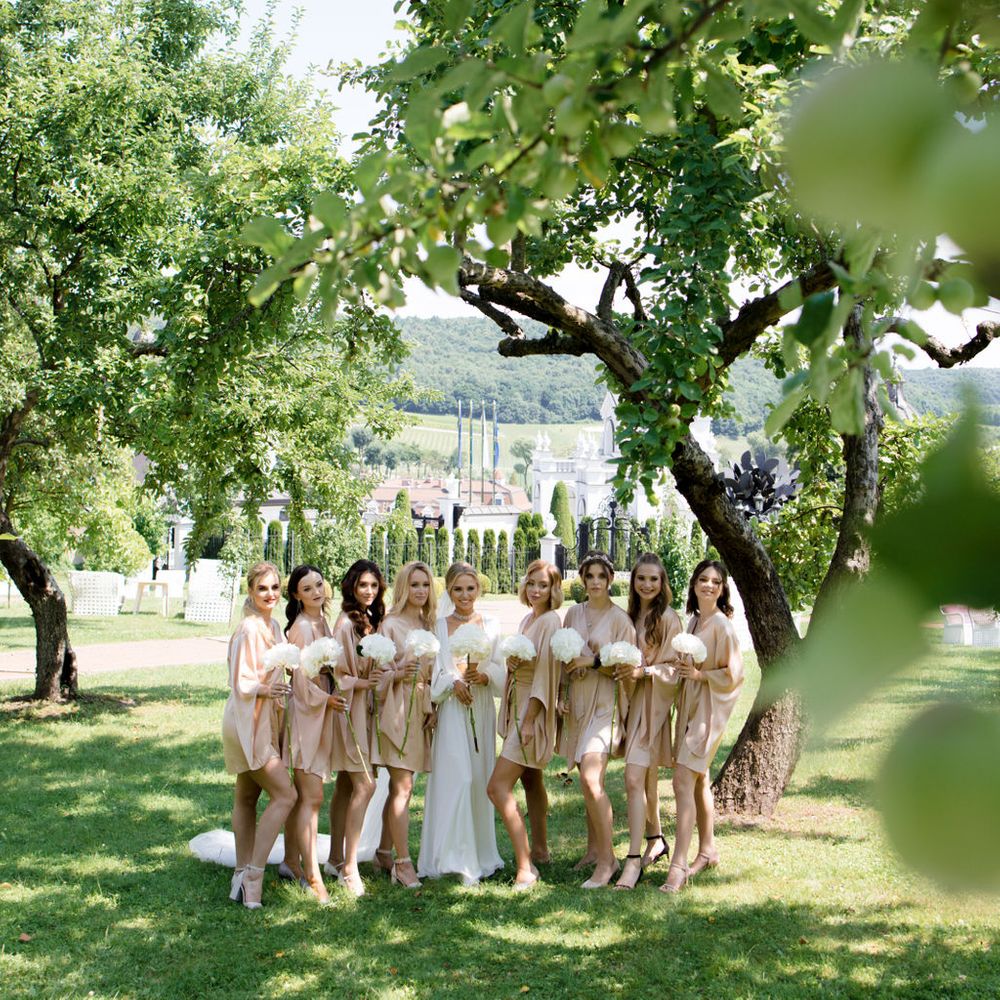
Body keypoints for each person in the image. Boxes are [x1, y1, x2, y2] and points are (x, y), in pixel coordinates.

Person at [418, 561, 504, 885]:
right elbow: (436, 669)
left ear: (477, 589)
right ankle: (453, 856)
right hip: (453, 710)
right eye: (457, 589)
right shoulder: (438, 626)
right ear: (449, 591)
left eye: (470, 588)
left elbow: (500, 667)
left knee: (479, 779)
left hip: (479, 707)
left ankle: (480, 855)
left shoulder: (492, 624)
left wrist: (484, 675)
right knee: (459, 778)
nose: (464, 595)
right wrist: (453, 681)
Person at [662, 559, 744, 893]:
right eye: (703, 580)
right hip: (689, 708)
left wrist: (700, 675)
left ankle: (678, 866)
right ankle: (708, 850)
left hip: (708, 715)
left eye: (715, 581)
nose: (708, 585)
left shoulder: (722, 626)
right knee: (699, 782)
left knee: (682, 781)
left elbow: (734, 674)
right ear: (694, 585)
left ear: (723, 588)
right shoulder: (695, 621)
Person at [221, 561, 296, 909]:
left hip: (269, 717)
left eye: (275, 588)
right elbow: (241, 682)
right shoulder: (249, 629)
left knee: (247, 796)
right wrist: (268, 690)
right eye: (262, 588)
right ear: (251, 591)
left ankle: (239, 871)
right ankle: (254, 874)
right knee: (285, 794)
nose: (270, 594)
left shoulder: (275, 624)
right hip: (248, 718)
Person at [561, 550, 637, 888]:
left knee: (592, 780)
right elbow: (564, 661)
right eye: (589, 577)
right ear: (582, 580)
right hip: (577, 702)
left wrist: (591, 663)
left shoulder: (621, 620)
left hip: (605, 704)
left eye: (601, 577)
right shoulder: (572, 614)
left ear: (610, 580)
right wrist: (562, 696)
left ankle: (608, 862)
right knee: (585, 780)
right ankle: (594, 850)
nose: (595, 583)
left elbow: (627, 668)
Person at [487, 559, 562, 890]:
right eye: (531, 583)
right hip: (518, 701)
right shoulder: (527, 618)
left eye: (543, 585)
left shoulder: (549, 622)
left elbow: (545, 675)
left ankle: (525, 866)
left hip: (531, 709)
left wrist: (531, 720)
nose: (535, 590)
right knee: (532, 779)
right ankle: (542, 850)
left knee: (497, 787)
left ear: (553, 589)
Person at [280, 564, 348, 904]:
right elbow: (300, 681)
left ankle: (291, 861)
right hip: (309, 712)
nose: (316, 592)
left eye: (319, 585)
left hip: (324, 708)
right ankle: (312, 876)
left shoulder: (323, 622)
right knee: (312, 797)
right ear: (296, 595)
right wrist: (327, 699)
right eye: (307, 589)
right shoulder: (303, 628)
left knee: (304, 795)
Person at [615, 553, 682, 890]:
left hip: (653, 704)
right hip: (630, 700)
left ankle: (631, 860)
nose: (647, 585)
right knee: (648, 782)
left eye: (653, 579)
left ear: (662, 582)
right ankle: (655, 840)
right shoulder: (628, 617)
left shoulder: (669, 619)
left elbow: (675, 669)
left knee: (633, 778)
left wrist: (646, 671)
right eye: (641, 578)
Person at [371, 561, 438, 889]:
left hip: (421, 708)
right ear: (403, 588)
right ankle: (403, 862)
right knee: (403, 786)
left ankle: (384, 851)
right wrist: (400, 671)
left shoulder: (430, 623)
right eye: (414, 585)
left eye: (425, 584)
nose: (421, 591)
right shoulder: (391, 625)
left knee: (401, 786)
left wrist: (434, 704)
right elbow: (378, 676)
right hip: (397, 707)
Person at [327, 560, 385, 897]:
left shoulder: (374, 621)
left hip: (368, 712)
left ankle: (335, 858)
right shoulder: (346, 623)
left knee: (346, 786)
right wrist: (365, 682)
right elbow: (340, 675)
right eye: (363, 585)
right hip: (350, 711)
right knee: (366, 784)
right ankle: (349, 869)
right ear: (352, 586)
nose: (368, 591)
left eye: (374, 586)